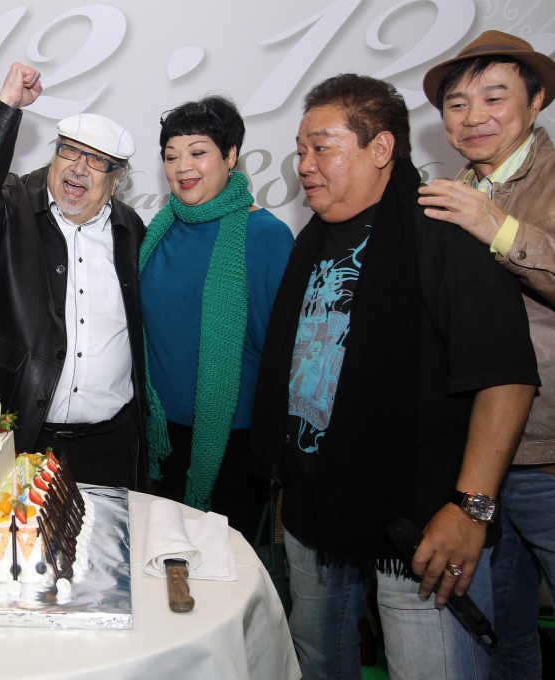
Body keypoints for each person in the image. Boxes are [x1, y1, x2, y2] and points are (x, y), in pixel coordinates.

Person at [250, 73, 538, 679]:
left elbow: (506, 376)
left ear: (380, 150)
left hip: (418, 525)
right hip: (314, 512)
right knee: (320, 661)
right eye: (300, 150)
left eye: (321, 147)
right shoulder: (312, 240)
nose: (304, 165)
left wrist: (470, 507)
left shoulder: (442, 231)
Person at [418, 30, 555, 680]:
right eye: (458, 104)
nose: (473, 118)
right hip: (484, 460)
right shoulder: (449, 193)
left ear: (536, 101)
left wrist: (495, 227)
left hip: (551, 455)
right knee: (500, 633)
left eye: (493, 98)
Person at [0, 62, 147, 489]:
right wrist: (8, 105)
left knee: (105, 551)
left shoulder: (131, 229)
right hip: (26, 436)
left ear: (117, 179)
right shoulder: (15, 205)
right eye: (69, 150)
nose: (78, 167)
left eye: (97, 160)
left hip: (109, 441)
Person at [139, 96, 293, 528]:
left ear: (230, 156)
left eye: (198, 152)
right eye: (171, 156)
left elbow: (280, 351)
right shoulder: (159, 229)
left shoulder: (267, 236)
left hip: (234, 440)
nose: (182, 166)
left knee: (224, 573)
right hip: (160, 434)